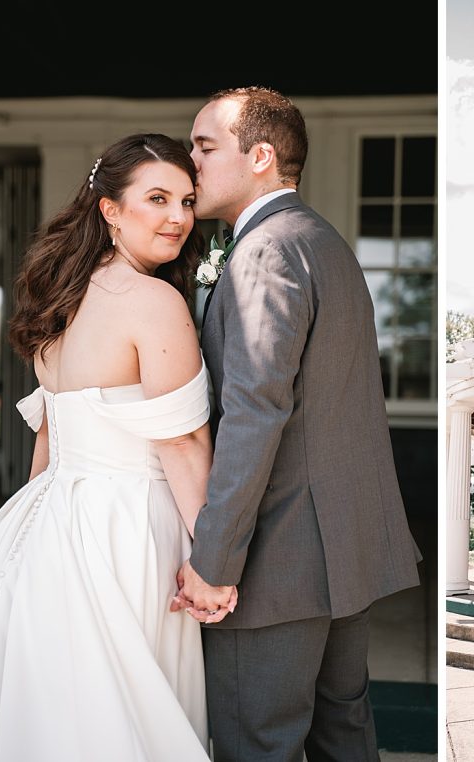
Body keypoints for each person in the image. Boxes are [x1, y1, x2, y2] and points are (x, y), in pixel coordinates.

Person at [0, 133, 220, 760]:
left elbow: (49, 441)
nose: (178, 216)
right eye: (158, 198)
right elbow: (185, 443)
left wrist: (27, 524)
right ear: (109, 209)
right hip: (128, 526)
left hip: (51, 515)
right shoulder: (153, 301)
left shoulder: (57, 302)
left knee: (46, 697)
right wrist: (214, 561)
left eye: (188, 200)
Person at [173, 86, 422, 761]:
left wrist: (215, 559)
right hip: (344, 553)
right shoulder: (322, 241)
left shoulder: (263, 253)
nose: (189, 161)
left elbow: (256, 413)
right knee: (342, 736)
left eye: (203, 147)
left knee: (258, 743)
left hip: (280, 562)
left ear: (260, 156)